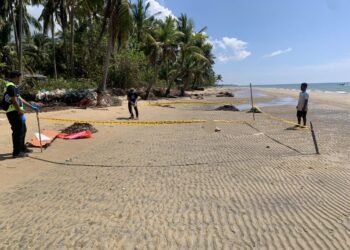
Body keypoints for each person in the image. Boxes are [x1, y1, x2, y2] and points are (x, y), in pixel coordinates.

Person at [3, 71, 39, 158]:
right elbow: (14, 101)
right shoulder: (10, 86)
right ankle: (16, 152)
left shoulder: (14, 87)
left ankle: (22, 148)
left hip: (16, 112)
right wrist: (19, 111)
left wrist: (31, 106)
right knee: (17, 132)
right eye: (19, 77)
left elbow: (20, 99)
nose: (20, 79)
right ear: (15, 77)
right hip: (13, 112)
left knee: (23, 130)